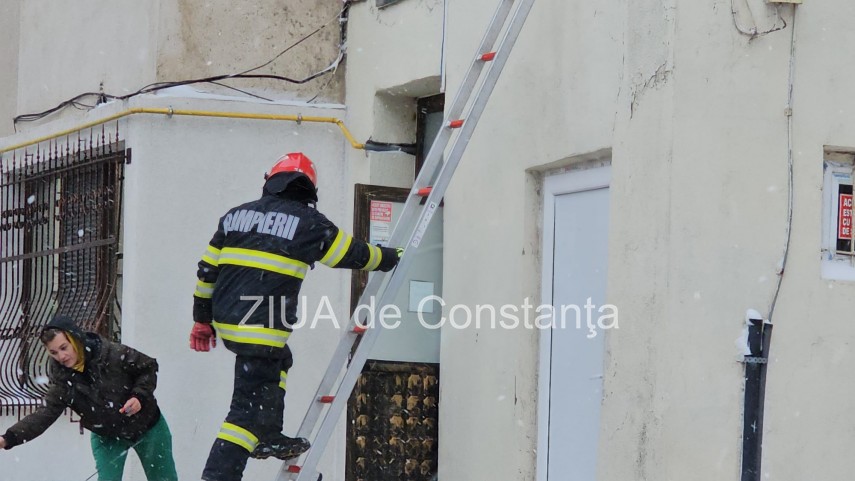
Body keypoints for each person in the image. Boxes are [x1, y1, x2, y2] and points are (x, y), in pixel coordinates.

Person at [190, 152, 401, 481]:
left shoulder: (234, 216)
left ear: (270, 181)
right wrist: (391, 257)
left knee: (279, 362)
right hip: (262, 327)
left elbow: (207, 272)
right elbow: (351, 254)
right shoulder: (309, 222)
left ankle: (269, 434)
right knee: (243, 415)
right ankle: (218, 475)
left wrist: (201, 320)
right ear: (309, 188)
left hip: (229, 321)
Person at [0, 315, 178, 481]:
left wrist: (139, 397)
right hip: (107, 435)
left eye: (64, 348)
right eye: (53, 352)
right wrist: (8, 438)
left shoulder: (112, 353)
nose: (61, 356)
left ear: (75, 339)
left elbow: (148, 367)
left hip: (147, 426)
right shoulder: (62, 381)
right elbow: (44, 414)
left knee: (164, 478)